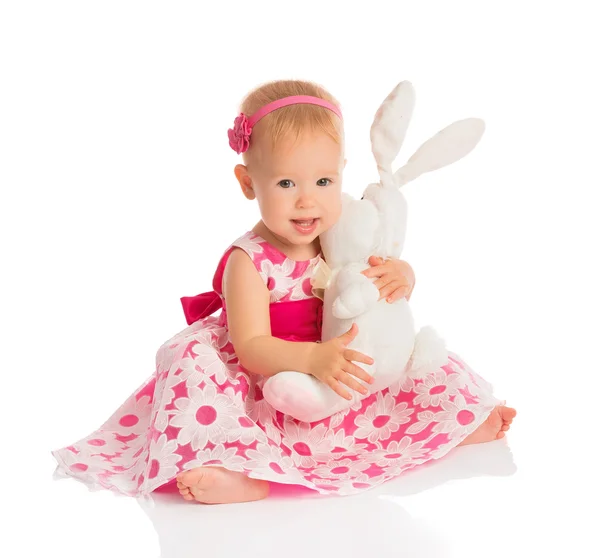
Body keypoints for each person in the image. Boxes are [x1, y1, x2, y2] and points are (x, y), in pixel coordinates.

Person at [52, 79, 516, 505]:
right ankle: (235, 466)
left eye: (323, 181)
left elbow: (380, 270)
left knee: (418, 354)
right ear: (248, 182)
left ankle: (455, 420)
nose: (307, 200)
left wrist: (403, 274)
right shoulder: (247, 260)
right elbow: (250, 347)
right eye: (286, 183)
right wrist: (312, 359)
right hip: (273, 372)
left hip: (336, 367)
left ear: (341, 174)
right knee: (190, 366)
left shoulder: (341, 232)